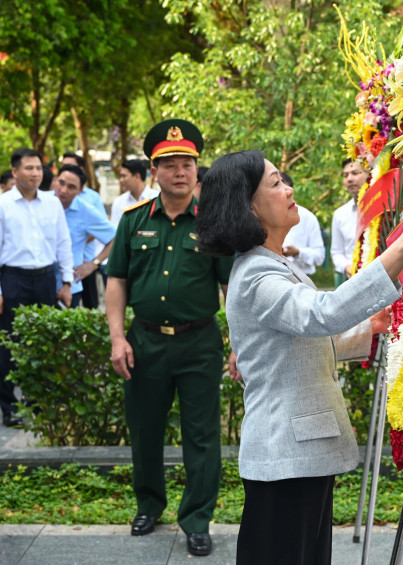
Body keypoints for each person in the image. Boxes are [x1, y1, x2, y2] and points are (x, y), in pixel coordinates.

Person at [195, 149, 403, 565]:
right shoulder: (258, 274)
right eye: (275, 183)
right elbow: (321, 315)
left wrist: (369, 327)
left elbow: (297, 343)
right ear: (248, 207)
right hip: (285, 457)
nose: (289, 188)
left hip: (299, 454)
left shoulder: (274, 264)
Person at [105, 119, 235, 557]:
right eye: (169, 164)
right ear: (154, 170)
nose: (179, 171)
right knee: (144, 429)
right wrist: (117, 338)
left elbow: (230, 289)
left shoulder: (213, 224)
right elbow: (117, 280)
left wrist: (238, 343)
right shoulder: (133, 221)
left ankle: (197, 519)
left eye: (187, 163)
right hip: (144, 343)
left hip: (198, 344)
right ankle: (148, 505)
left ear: (197, 169)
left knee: (201, 435)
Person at [0, 148, 73, 428]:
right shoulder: (4, 204)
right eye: (28, 168)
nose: (35, 173)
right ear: (15, 172)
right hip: (13, 278)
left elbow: (63, 243)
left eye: (38, 168)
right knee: (8, 343)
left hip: (45, 278)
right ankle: (9, 407)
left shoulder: (51, 203)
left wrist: (66, 281)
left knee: (44, 342)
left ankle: (38, 402)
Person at [53, 165, 116, 308]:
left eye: (71, 187)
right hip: (39, 283)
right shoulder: (42, 202)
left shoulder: (86, 211)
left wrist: (93, 264)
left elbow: (116, 238)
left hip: (68, 286)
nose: (63, 190)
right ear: (55, 180)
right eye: (61, 183)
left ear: (81, 190)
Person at [62, 152, 104, 309]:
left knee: (90, 307)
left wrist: (73, 242)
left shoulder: (92, 198)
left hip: (85, 262)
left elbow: (102, 230)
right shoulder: (54, 197)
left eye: (70, 165)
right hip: (64, 268)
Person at [330, 158, 368, 287]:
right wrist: (346, 267)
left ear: (369, 174)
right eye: (345, 175)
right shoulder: (340, 214)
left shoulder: (385, 208)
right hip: (352, 283)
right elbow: (336, 252)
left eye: (355, 173)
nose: (349, 179)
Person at [280, 172, 325, 276]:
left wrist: (298, 253)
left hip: (301, 279)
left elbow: (319, 256)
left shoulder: (307, 217)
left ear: (290, 191)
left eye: (283, 189)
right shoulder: (261, 216)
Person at [110, 159, 159, 226]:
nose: (121, 180)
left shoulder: (156, 198)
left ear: (137, 176)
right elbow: (116, 231)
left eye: (124, 176)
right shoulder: (119, 202)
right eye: (120, 176)